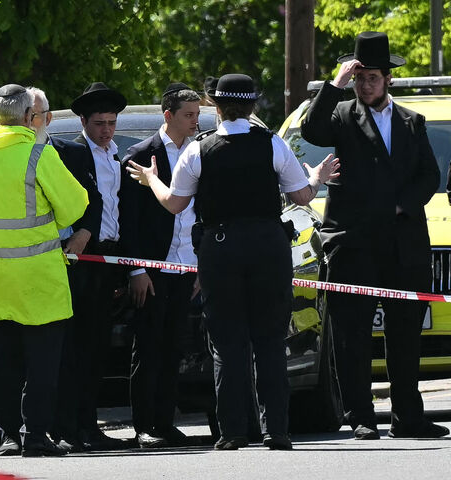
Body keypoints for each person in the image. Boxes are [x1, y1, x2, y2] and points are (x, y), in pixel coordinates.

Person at [127, 73, 339, 450]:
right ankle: (277, 430)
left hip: (220, 248)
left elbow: (175, 203)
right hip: (268, 247)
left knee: (226, 344)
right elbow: (302, 195)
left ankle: (232, 432)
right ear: (253, 106)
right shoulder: (271, 143)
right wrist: (318, 176)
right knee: (270, 342)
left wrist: (150, 180)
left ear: (216, 107)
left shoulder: (199, 149)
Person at [300, 31, 449, 440]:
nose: (365, 84)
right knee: (352, 337)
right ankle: (361, 417)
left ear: (388, 80)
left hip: (403, 246)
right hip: (354, 244)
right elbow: (311, 131)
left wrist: (402, 205)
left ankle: (408, 416)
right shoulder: (342, 115)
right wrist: (335, 85)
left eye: (372, 78)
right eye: (359, 77)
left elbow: (428, 176)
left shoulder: (411, 121)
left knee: (404, 337)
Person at [0, 84, 88, 458]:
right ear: (27, 117)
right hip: (36, 279)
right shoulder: (39, 154)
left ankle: (5, 436)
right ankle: (35, 437)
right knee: (40, 364)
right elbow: (74, 208)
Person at [122, 83, 200, 448]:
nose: (195, 122)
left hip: (187, 265)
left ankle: (165, 421)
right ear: (168, 116)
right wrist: (137, 270)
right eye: (188, 116)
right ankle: (144, 425)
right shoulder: (141, 155)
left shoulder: (201, 152)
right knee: (148, 345)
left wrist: (199, 264)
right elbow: (130, 221)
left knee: (174, 347)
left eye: (198, 115)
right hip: (152, 268)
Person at [66, 82, 131, 450]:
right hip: (81, 262)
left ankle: (88, 425)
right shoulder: (72, 154)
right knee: (76, 348)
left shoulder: (115, 156)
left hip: (109, 260)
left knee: (95, 348)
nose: (106, 130)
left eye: (111, 122)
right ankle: (72, 427)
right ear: (84, 123)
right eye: (99, 123)